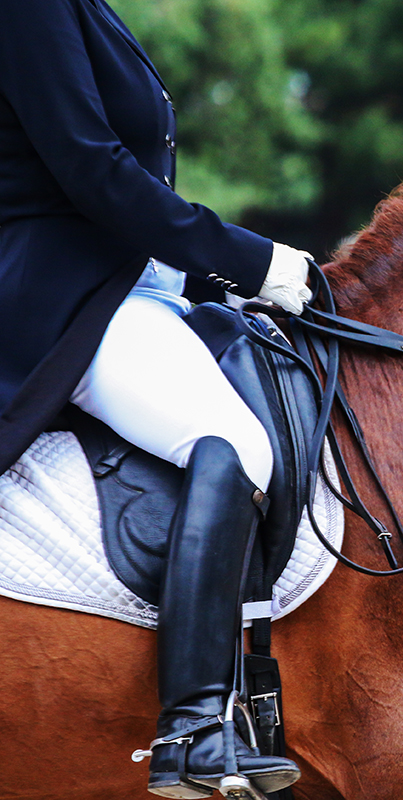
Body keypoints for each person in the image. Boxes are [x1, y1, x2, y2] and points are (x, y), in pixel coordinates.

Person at [0, 0, 308, 795]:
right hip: (58, 295)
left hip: (124, 280)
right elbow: (91, 167)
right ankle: (196, 726)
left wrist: (208, 277)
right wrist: (251, 257)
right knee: (233, 443)